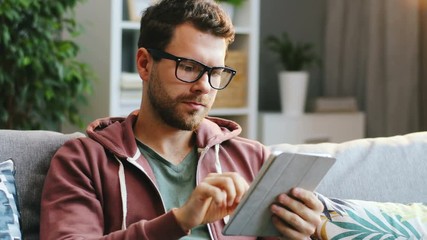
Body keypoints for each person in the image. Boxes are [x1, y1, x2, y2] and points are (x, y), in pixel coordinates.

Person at [40, 0, 323, 239]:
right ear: (144, 64)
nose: (205, 86)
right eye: (188, 67)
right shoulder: (83, 160)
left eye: (215, 72)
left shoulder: (253, 159)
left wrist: (304, 231)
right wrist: (179, 220)